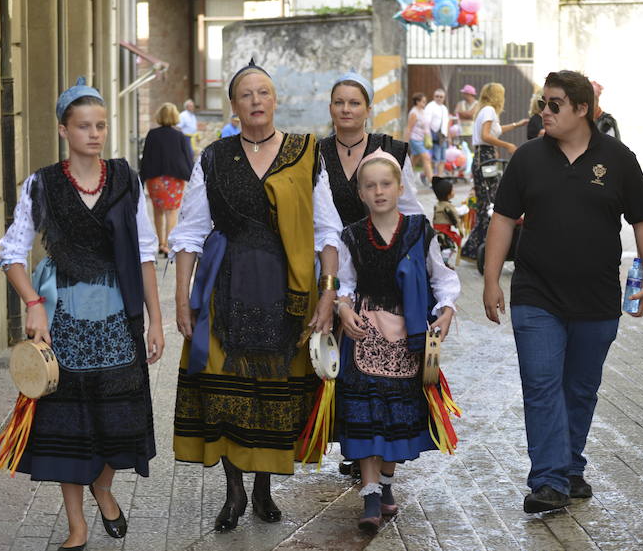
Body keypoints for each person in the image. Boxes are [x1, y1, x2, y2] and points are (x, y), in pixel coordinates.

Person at [169, 59, 342, 532]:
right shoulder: (213, 157)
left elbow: (328, 230)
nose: (256, 102)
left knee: (275, 395)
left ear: (275, 99)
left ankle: (264, 488)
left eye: (263, 92)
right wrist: (182, 300)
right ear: (234, 106)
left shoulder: (307, 152)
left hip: (290, 294)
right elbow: (188, 233)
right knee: (225, 396)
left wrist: (328, 295)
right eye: (246, 95)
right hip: (224, 291)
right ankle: (234, 492)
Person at [482, 70, 643, 514]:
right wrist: (489, 280)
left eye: (554, 104)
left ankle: (569, 465)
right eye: (543, 103)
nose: (544, 111)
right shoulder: (527, 158)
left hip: (597, 298)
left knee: (579, 388)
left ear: (582, 109)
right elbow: (503, 218)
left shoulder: (619, 160)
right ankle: (549, 480)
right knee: (541, 385)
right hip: (535, 294)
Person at [0, 77, 163, 551]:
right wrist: (33, 305)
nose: (95, 134)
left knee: (121, 418)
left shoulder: (127, 179)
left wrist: (155, 319)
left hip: (118, 316)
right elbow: (10, 254)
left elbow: (146, 253)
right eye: (84, 126)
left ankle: (104, 485)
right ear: (64, 130)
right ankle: (77, 527)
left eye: (101, 126)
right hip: (62, 318)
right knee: (66, 424)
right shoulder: (41, 184)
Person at [334, 150, 459, 532]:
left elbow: (442, 277)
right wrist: (342, 307)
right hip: (364, 337)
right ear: (360, 193)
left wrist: (447, 309)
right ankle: (370, 493)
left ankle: (386, 483)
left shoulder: (420, 231)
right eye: (370, 186)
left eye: (385, 184)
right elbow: (346, 282)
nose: (378, 191)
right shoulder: (352, 235)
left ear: (400, 187)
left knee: (395, 417)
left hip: (409, 340)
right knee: (366, 415)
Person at [319, 70, 424, 227]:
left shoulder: (391, 150)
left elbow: (409, 208)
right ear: (330, 108)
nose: (345, 109)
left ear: (368, 110)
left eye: (354, 103)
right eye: (339, 102)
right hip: (328, 248)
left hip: (380, 247)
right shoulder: (316, 152)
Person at [460, 82, 527, 260]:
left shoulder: (484, 110)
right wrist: (507, 145)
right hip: (485, 157)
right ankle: (477, 248)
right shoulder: (489, 110)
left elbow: (494, 131)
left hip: (483, 156)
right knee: (490, 201)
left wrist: (516, 125)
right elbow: (486, 136)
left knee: (487, 201)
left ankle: (474, 248)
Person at [139, 102, 195, 255]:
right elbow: (188, 158)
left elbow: (146, 158)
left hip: (155, 178)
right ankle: (169, 244)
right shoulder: (180, 135)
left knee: (158, 211)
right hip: (175, 179)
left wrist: (141, 179)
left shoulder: (152, 134)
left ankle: (161, 243)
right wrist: (193, 177)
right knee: (172, 212)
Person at [404, 92, 433, 183]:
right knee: (426, 158)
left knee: (414, 160)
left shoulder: (423, 112)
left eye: (425, 101)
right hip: (415, 139)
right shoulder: (414, 113)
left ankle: (405, 177)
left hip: (423, 139)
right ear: (417, 102)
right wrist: (405, 143)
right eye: (423, 101)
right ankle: (432, 181)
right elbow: (409, 128)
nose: (425, 103)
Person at [431, 176, 463, 249]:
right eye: (453, 190)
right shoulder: (448, 206)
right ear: (448, 194)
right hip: (444, 233)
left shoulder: (437, 205)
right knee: (449, 248)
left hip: (436, 231)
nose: (454, 192)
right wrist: (460, 229)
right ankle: (445, 260)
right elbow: (455, 217)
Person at [425, 88, 450, 177]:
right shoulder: (430, 106)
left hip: (443, 136)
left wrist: (448, 137)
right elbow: (426, 122)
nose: (439, 98)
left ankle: (439, 176)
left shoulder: (444, 108)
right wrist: (428, 136)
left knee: (442, 159)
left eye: (441, 97)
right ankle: (431, 176)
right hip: (433, 134)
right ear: (433, 97)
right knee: (435, 158)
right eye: (437, 96)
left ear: (444, 98)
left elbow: (446, 124)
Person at [454, 84, 479, 149]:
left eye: (464, 93)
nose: (463, 95)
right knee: (460, 150)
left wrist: (462, 114)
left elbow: (470, 115)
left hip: (472, 133)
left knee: (472, 150)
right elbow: (456, 114)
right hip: (461, 132)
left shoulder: (477, 104)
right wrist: (468, 115)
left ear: (469, 94)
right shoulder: (460, 103)